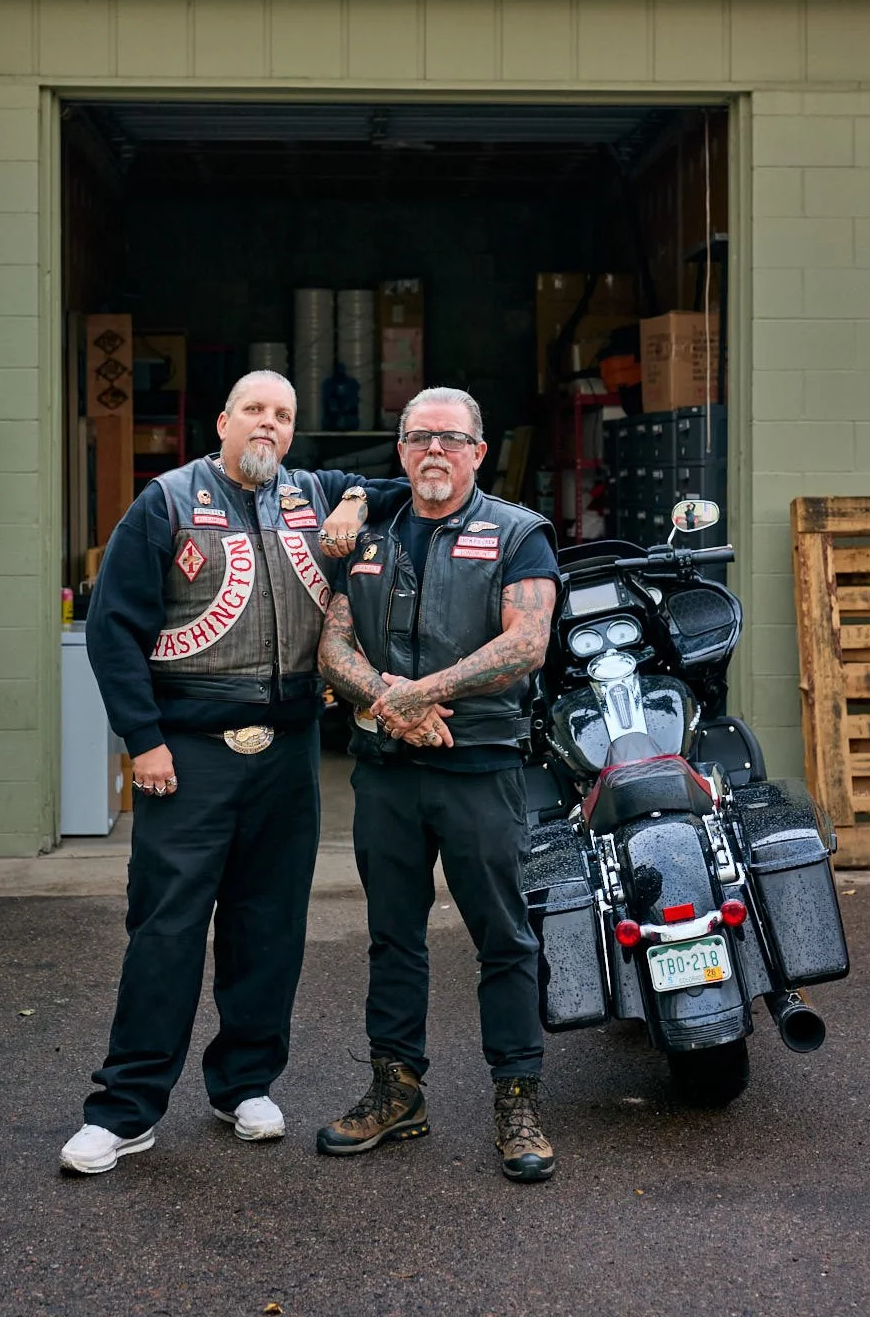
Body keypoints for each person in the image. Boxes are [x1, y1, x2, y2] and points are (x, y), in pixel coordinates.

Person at [60, 370, 405, 1175]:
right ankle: (124, 1110)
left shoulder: (316, 491)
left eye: (282, 415)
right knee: (166, 931)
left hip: (285, 754)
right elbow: (113, 631)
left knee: (269, 926)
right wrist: (142, 741)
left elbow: (399, 488)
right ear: (222, 420)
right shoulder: (167, 502)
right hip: (185, 752)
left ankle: (244, 1084)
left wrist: (353, 502)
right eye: (253, 409)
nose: (268, 424)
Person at [314, 386, 560, 1183]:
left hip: (479, 768)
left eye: (451, 440)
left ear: (478, 451)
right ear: (401, 449)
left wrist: (429, 691)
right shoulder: (370, 533)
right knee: (392, 936)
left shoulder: (518, 534)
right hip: (387, 768)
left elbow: (527, 642)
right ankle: (396, 1089)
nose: (434, 452)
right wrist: (394, 707)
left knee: (504, 938)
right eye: (419, 437)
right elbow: (333, 647)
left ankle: (515, 1099)